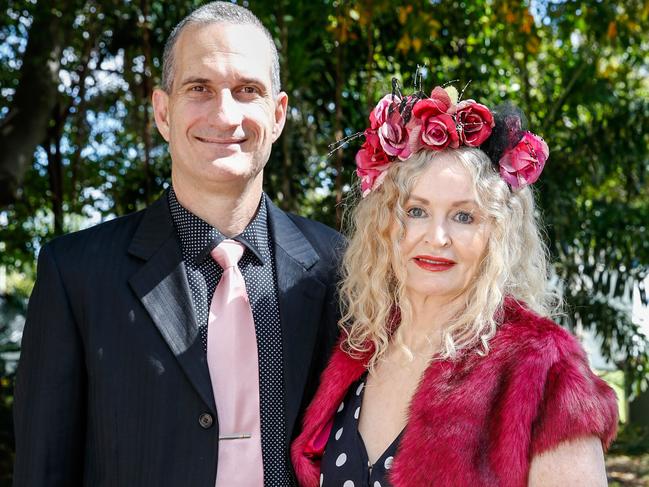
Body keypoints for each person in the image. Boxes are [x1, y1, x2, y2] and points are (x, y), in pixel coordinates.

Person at [13, 2, 343, 486]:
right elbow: (43, 469)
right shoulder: (76, 274)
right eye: (199, 88)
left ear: (277, 115)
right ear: (163, 112)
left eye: (246, 90)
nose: (224, 113)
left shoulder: (341, 266)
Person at [291, 83, 618, 486]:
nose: (437, 237)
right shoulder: (360, 348)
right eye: (416, 211)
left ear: (498, 233)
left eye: (464, 216)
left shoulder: (544, 368)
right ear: (385, 224)